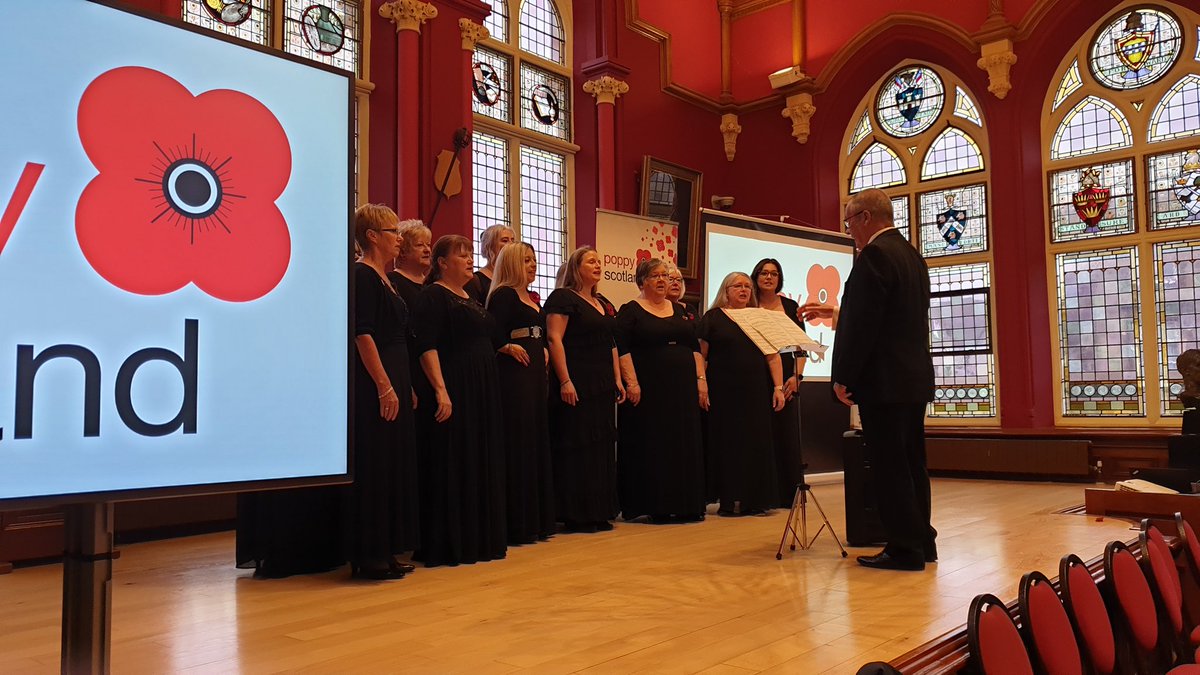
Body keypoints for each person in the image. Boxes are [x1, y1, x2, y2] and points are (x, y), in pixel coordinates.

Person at [811, 187, 936, 571]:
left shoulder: (875, 256)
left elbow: (863, 325)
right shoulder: (911, 256)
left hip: (884, 382)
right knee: (913, 461)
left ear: (866, 217)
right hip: (912, 379)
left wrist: (843, 376)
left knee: (889, 465)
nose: (849, 230)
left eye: (849, 222)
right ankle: (922, 540)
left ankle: (903, 549)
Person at [413, 235, 507, 566]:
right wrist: (440, 389)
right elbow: (427, 346)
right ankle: (452, 541)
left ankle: (479, 536)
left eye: (470, 255)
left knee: (479, 456)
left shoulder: (471, 295)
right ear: (442, 263)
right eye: (462, 255)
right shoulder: (433, 296)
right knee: (455, 457)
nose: (469, 260)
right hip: (456, 384)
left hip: (482, 388)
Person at [345, 204, 421, 579]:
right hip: (377, 379)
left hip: (396, 374)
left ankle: (387, 549)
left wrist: (403, 386)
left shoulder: (385, 278)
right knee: (375, 466)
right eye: (394, 232)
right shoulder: (362, 274)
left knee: (393, 466)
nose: (400, 239)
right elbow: (363, 333)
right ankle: (370, 554)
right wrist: (384, 385)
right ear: (372, 236)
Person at [615, 259, 707, 523]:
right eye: (655, 276)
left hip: (682, 387)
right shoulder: (630, 310)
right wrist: (632, 382)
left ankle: (686, 504)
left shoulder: (681, 310)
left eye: (665, 276)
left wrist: (701, 381)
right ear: (642, 280)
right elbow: (622, 348)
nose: (662, 280)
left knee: (683, 441)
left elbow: (695, 349)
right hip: (649, 387)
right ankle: (655, 504)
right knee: (654, 442)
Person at [544, 246, 625, 533]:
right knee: (577, 443)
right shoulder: (563, 298)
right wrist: (565, 380)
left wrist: (617, 378)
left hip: (601, 382)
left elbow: (611, 343)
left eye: (599, 261)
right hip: (577, 380)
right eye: (591, 261)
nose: (598, 265)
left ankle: (598, 509)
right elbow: (554, 339)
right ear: (576, 268)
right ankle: (575, 512)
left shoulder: (601, 302)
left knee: (600, 445)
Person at [698, 272, 786, 517]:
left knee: (755, 442)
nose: (744, 290)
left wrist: (778, 388)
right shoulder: (713, 317)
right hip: (723, 390)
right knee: (727, 443)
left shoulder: (760, 318)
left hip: (755, 391)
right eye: (738, 286)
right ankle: (727, 499)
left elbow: (772, 356)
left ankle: (754, 499)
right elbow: (700, 354)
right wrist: (701, 383)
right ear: (726, 291)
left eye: (748, 286)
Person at [486, 242, 556, 544]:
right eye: (526, 260)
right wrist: (506, 345)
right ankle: (517, 521)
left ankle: (536, 518)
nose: (532, 265)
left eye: (534, 260)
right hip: (514, 373)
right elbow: (491, 330)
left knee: (536, 435)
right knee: (519, 437)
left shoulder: (532, 298)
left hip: (534, 369)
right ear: (512, 263)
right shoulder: (502, 295)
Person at [752, 258, 810, 509]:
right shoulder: (749, 304)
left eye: (774, 274)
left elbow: (802, 346)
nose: (768, 277)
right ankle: (763, 494)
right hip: (756, 371)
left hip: (786, 372)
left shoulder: (789, 306)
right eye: (763, 273)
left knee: (786, 434)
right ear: (756, 276)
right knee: (760, 433)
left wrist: (796, 377)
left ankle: (788, 494)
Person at [466, 224, 517, 303]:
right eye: (505, 240)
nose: (511, 244)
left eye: (512, 240)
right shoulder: (475, 281)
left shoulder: (516, 279)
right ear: (490, 246)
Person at [388, 219, 432, 310]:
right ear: (402, 252)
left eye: (428, 244)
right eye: (420, 245)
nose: (427, 250)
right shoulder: (392, 282)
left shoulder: (431, 283)